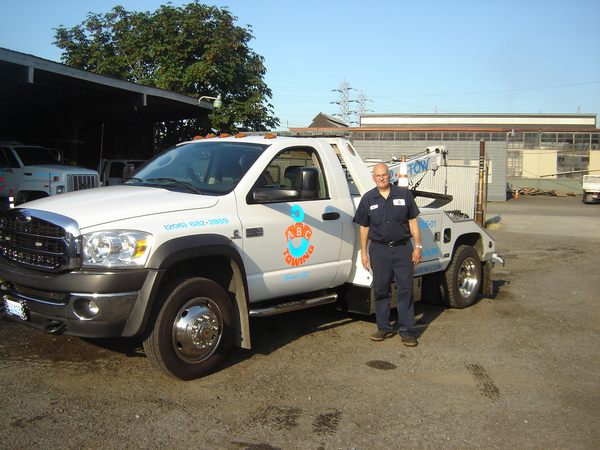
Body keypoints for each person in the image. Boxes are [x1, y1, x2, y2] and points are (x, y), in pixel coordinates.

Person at [353, 163, 422, 347]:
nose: (382, 178)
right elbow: (364, 228)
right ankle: (383, 327)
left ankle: (407, 331)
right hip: (379, 250)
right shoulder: (368, 199)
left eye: (384, 175)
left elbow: (413, 221)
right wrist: (364, 253)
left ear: (389, 176)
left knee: (406, 289)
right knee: (381, 289)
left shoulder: (404, 194)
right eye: (378, 176)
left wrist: (418, 246)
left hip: (402, 249)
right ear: (373, 178)